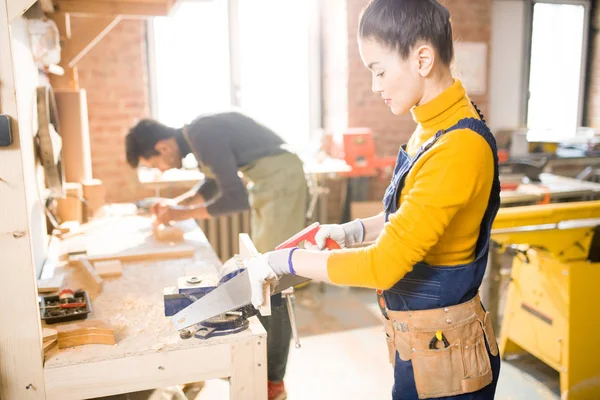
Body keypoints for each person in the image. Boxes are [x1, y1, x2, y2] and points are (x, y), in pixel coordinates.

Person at [242, 0, 501, 399]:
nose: (375, 86)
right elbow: (413, 217)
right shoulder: (432, 128)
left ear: (423, 59)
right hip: (423, 339)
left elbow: (384, 266)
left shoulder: (458, 146)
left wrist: (284, 261)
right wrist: (352, 230)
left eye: (379, 70)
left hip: (450, 357)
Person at [125, 111, 307, 400]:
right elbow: (212, 184)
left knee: (273, 282)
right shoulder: (196, 138)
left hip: (281, 179)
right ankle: (260, 365)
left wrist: (179, 213)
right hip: (268, 184)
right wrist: (176, 205)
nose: (159, 170)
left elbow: (233, 198)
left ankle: (274, 381)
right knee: (259, 274)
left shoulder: (202, 135)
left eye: (154, 163)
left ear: (162, 147)